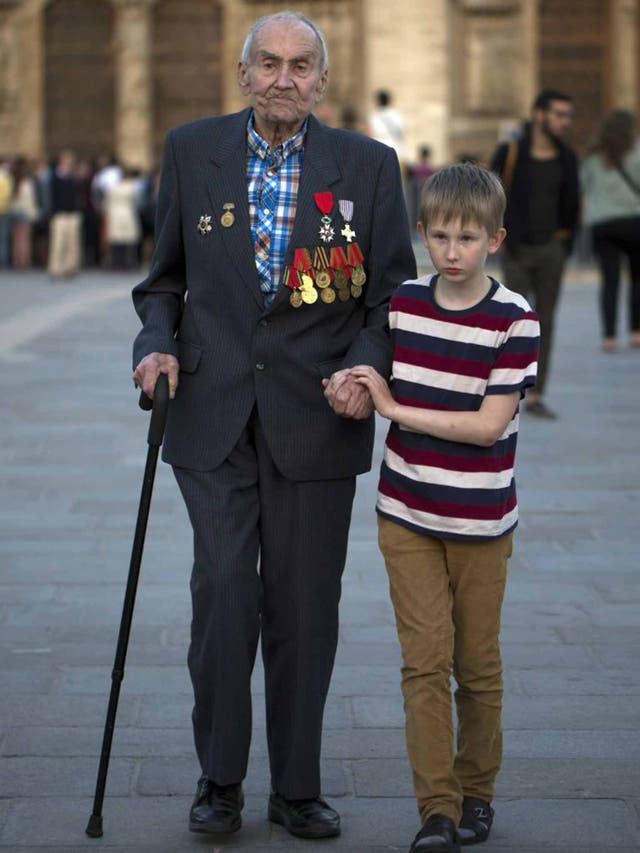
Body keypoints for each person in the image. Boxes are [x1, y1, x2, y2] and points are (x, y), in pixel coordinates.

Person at [132, 10, 415, 841]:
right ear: (243, 72)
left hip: (317, 418)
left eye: (300, 65)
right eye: (269, 63)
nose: (284, 77)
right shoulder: (192, 150)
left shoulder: (367, 166)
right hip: (211, 411)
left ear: (321, 80)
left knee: (303, 605)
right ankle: (219, 778)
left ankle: (296, 785)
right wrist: (155, 346)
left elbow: (389, 297)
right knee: (223, 592)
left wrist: (369, 369)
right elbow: (163, 282)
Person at [350, 164, 540, 853]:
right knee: (424, 659)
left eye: (467, 237)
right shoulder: (402, 305)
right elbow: (367, 353)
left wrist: (396, 408)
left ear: (494, 239)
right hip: (406, 511)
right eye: (439, 236)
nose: (452, 250)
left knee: (477, 663)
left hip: (481, 522)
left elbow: (490, 426)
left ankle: (478, 790)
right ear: (423, 234)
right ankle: (437, 806)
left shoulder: (514, 319)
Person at [490, 88, 579, 419]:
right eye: (559, 114)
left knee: (546, 322)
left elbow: (572, 204)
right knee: (512, 321)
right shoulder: (511, 151)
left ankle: (538, 393)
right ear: (539, 115)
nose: (565, 122)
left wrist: (563, 246)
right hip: (516, 250)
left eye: (568, 116)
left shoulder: (567, 157)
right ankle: (505, 389)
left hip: (550, 251)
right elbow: (492, 195)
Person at [581, 108, 640, 352]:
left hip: (603, 224)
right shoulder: (636, 154)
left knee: (610, 281)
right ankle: (636, 332)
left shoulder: (593, 158)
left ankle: (609, 337)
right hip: (634, 221)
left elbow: (584, 188)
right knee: (637, 281)